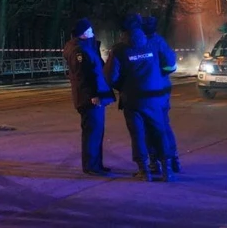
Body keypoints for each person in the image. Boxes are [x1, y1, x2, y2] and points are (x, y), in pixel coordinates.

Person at [106, 14, 177, 182]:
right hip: (155, 98)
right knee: (159, 131)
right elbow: (170, 64)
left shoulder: (119, 50)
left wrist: (124, 86)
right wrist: (159, 78)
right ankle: (168, 171)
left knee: (138, 134)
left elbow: (110, 77)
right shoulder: (153, 43)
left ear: (123, 31)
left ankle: (144, 171)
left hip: (132, 99)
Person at [63, 17, 116, 176]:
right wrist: (93, 95)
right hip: (90, 99)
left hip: (95, 96)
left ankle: (96, 164)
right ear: (84, 33)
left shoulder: (86, 47)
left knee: (96, 132)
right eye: (90, 30)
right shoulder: (79, 51)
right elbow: (83, 76)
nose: (93, 32)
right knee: (92, 133)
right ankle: (91, 166)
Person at [142, 15, 180, 174]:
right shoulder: (160, 42)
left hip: (148, 93)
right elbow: (171, 66)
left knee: (149, 128)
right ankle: (173, 160)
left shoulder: (142, 43)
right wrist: (160, 73)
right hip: (162, 91)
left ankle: (155, 162)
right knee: (163, 126)